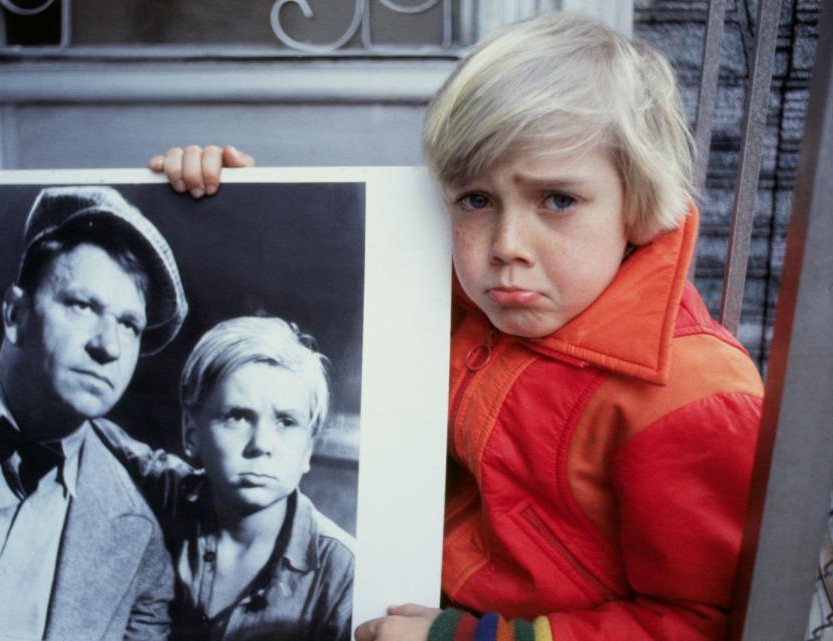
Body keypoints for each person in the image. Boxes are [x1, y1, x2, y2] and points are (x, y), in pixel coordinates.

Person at [149, 10, 764, 641]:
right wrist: (234, 198)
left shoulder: (695, 398)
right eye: (476, 200)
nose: (506, 245)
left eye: (557, 200)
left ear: (637, 204)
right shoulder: (444, 295)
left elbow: (708, 625)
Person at [0, 186, 187, 641]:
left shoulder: (142, 546)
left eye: (129, 325)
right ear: (15, 314)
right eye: (83, 305)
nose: (108, 346)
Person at [98, 315, 355, 641]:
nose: (261, 444)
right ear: (191, 433)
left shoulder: (344, 575)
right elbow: (84, 425)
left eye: (286, 422)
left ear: (308, 448)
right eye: (236, 416)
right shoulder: (166, 497)